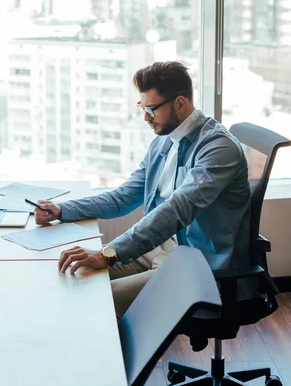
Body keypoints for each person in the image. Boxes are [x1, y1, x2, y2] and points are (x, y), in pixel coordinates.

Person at [35, 61, 252, 319]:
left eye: (151, 109)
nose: (145, 117)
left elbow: (176, 210)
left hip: (198, 266)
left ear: (180, 103)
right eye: (142, 107)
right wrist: (63, 210)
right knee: (69, 280)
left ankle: (122, 360)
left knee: (96, 303)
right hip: (158, 250)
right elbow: (122, 198)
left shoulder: (218, 148)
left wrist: (109, 254)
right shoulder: (164, 142)